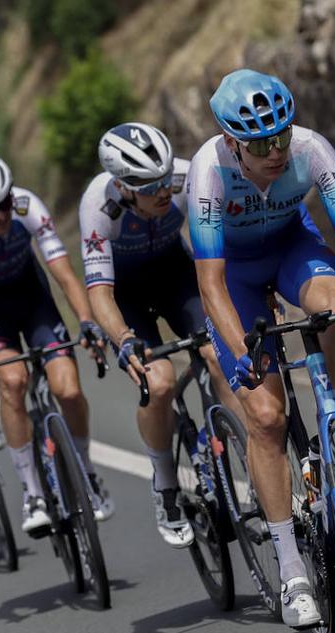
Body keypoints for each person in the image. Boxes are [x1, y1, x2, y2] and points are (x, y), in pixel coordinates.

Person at [187, 69, 335, 628]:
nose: (276, 152)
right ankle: (292, 568)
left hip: (294, 248)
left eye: (282, 137)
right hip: (238, 278)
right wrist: (240, 352)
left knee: (334, 308)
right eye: (260, 144)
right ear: (232, 142)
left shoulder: (312, 149)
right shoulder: (208, 172)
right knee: (267, 417)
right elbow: (211, 284)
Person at [83, 121, 241, 548]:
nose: (162, 191)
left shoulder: (188, 176)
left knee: (217, 357)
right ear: (122, 185)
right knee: (160, 382)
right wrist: (123, 338)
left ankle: (239, 445)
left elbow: (227, 243)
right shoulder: (98, 205)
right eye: (148, 185)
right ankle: (166, 484)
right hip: (127, 293)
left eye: (164, 178)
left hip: (176, 276)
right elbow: (99, 293)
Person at [0, 153, 114, 536]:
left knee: (67, 389)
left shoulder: (26, 206)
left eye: (3, 204)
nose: (0, 216)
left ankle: (86, 471)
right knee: (14, 381)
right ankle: (32, 492)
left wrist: (86, 322)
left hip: (32, 299)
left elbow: (66, 276)